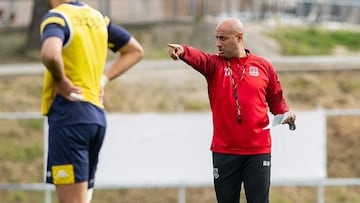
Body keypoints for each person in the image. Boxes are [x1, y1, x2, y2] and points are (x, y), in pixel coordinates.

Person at [168, 17, 296, 203]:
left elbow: (277, 101)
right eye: (217, 38)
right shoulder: (214, 65)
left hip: (257, 150)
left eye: (223, 38)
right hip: (225, 151)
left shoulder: (263, 66)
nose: (218, 43)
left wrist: (286, 114)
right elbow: (199, 57)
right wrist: (183, 51)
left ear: (239, 37)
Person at [40, 0, 144, 202]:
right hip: (95, 116)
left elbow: (50, 54)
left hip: (70, 116)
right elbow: (135, 50)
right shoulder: (98, 19)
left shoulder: (58, 17)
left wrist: (61, 80)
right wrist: (102, 81)